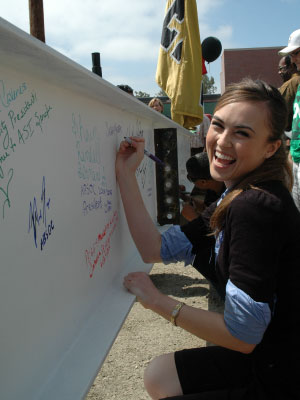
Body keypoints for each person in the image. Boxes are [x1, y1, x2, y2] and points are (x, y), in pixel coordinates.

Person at [116, 78, 300, 399]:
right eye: (219, 125)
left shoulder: (254, 207)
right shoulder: (235, 194)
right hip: (265, 354)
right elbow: (154, 249)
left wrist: (156, 300)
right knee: (159, 375)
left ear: (271, 147)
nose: (222, 142)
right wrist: (125, 174)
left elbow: (243, 336)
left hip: (278, 372)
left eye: (242, 133)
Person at [279, 29, 300, 210]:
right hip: (296, 158)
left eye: (295, 53)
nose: (293, 60)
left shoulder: (293, 84)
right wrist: (293, 154)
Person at [180, 152, 224, 222]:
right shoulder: (212, 191)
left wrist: (194, 218)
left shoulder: (230, 199)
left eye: (191, 179)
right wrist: (187, 199)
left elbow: (220, 230)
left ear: (203, 182)